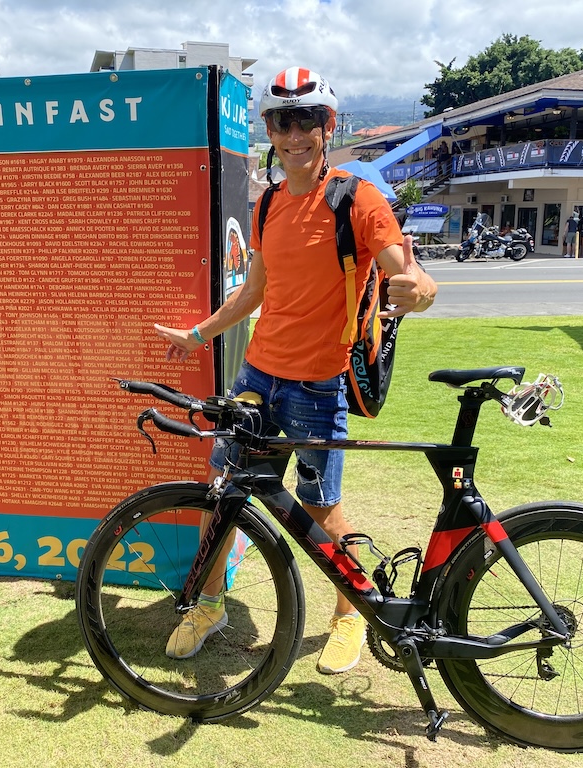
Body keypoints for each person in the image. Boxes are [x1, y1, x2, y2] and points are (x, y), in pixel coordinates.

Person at [153, 67, 437, 675]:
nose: (294, 134)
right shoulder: (269, 204)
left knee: (321, 506)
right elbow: (254, 290)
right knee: (221, 493)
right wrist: (199, 334)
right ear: (270, 132)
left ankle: (351, 613)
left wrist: (421, 289)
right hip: (257, 377)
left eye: (307, 120)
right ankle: (208, 605)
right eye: (282, 122)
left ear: (327, 127)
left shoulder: (357, 199)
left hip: (318, 382)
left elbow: (406, 272)